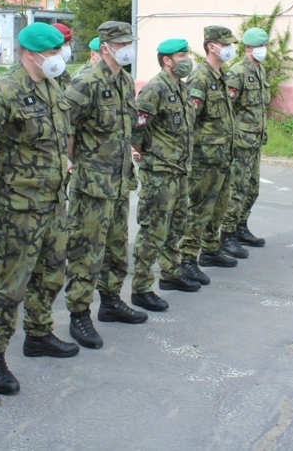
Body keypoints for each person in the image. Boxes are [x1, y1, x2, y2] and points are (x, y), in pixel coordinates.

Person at [0, 23, 80, 396]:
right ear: (30, 54)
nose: (58, 59)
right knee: (8, 285)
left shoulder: (52, 87)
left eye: (59, 52)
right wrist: (1, 180)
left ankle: (38, 334)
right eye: (52, 53)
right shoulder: (1, 93)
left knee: (52, 273)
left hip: (52, 202)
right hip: (17, 209)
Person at [64, 21, 147, 349]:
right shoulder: (86, 83)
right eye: (122, 42)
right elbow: (65, 128)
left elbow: (124, 127)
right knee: (86, 249)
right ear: (105, 47)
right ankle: (79, 313)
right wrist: (74, 162)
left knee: (115, 246)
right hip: (92, 185)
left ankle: (110, 300)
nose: (128, 47)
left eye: (130, 41)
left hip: (119, 180)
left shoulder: (125, 81)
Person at [130, 38, 202, 312]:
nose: (187, 59)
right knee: (153, 230)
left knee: (176, 225)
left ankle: (171, 274)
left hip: (180, 170)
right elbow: (137, 131)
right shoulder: (154, 89)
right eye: (181, 55)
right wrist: (145, 153)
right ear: (167, 60)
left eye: (187, 54)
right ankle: (141, 288)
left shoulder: (181, 89)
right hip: (159, 172)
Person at [180, 26, 239, 280]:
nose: (229, 49)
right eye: (224, 44)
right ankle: (187, 258)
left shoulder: (221, 75)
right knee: (200, 208)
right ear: (211, 47)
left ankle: (210, 249)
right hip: (205, 158)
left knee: (219, 205)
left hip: (223, 156)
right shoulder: (200, 78)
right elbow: (189, 120)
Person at [220, 27, 270, 249]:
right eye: (260, 47)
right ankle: (227, 233)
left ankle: (241, 226)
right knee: (237, 189)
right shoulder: (237, 73)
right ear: (248, 48)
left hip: (255, 141)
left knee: (252, 189)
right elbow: (226, 109)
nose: (264, 50)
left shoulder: (260, 71)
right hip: (240, 142)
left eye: (265, 46)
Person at [52, 22, 74, 90]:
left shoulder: (64, 73)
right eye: (64, 44)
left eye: (69, 43)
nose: (67, 47)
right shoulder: (38, 73)